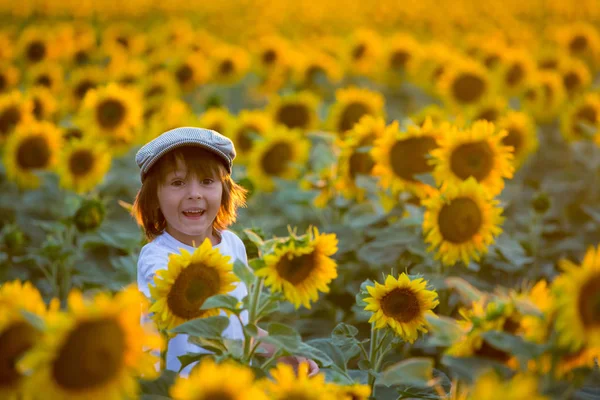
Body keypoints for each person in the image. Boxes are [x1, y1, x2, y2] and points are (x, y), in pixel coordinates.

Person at [132, 127, 318, 377]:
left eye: (207, 182)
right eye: (178, 183)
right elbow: (175, 291)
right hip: (179, 386)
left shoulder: (232, 245)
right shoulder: (157, 256)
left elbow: (239, 326)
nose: (194, 194)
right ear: (154, 196)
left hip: (228, 384)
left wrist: (285, 352)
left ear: (224, 191)